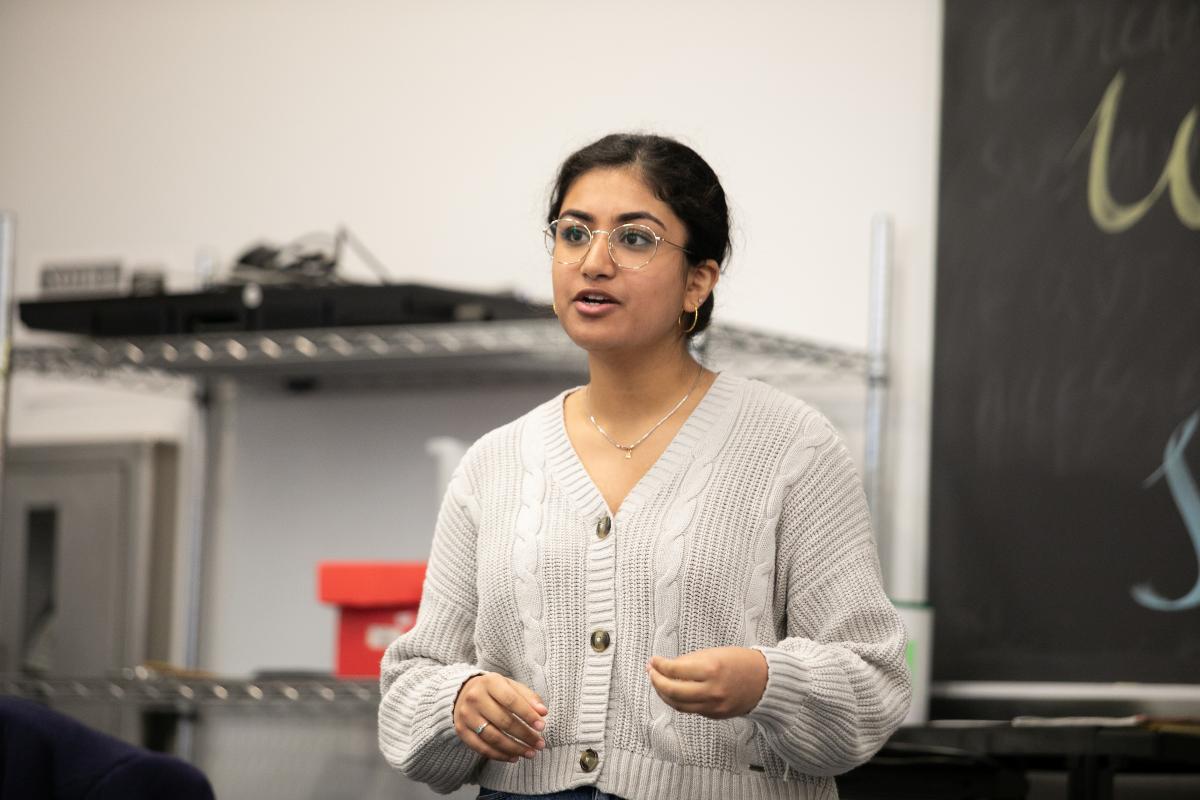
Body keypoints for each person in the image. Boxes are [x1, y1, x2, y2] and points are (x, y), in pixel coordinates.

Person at [378, 132, 910, 800]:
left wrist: (767, 682)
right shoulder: (496, 462)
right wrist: (458, 701)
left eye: (634, 238)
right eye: (574, 233)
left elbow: (874, 682)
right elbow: (413, 680)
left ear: (699, 279)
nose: (594, 261)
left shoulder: (792, 448)